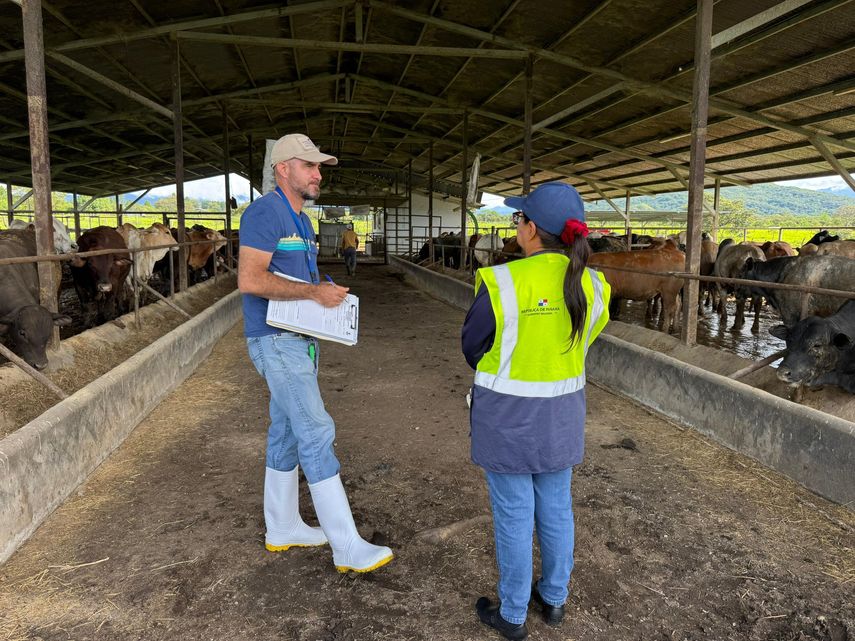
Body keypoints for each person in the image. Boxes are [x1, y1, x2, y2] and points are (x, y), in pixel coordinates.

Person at [461, 181, 610, 640]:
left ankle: (511, 614)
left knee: (513, 512)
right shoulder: (594, 285)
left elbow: (472, 346)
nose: (516, 227)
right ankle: (555, 599)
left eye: (518, 219)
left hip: (508, 419)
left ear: (530, 230)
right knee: (556, 508)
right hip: (562, 417)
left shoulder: (505, 281)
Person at [238, 133, 393, 573]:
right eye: (309, 165)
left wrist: (324, 289)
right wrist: (313, 292)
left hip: (298, 338)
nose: (318, 173)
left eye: (318, 166)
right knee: (316, 429)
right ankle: (346, 546)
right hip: (275, 338)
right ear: (283, 168)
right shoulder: (264, 213)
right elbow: (250, 280)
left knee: (286, 431)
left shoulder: (303, 222)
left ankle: (283, 526)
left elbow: (298, 278)